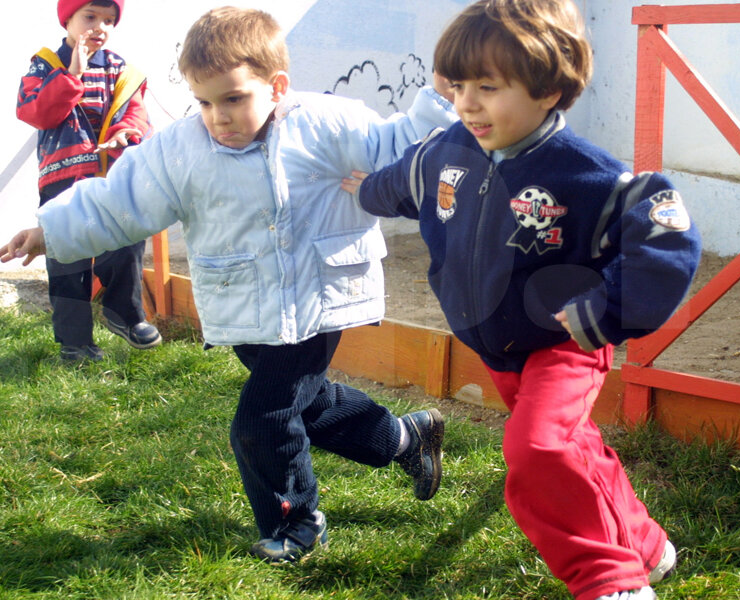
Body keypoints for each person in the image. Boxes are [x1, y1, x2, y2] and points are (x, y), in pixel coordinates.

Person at [2, 6, 457, 563]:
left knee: (261, 421)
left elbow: (398, 144)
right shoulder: (181, 149)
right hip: (241, 305)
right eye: (204, 101)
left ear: (276, 87)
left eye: (234, 99)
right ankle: (407, 438)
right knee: (308, 405)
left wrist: (440, 100)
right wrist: (50, 230)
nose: (218, 117)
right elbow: (121, 198)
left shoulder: (325, 124)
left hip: (314, 300)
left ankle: (295, 523)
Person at [345, 1, 701, 598]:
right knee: (570, 445)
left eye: (488, 87)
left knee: (537, 448)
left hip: (565, 341)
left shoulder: (587, 176)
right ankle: (645, 543)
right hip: (499, 344)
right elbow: (403, 181)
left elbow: (667, 237)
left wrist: (606, 311)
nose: (467, 103)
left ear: (548, 89)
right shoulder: (445, 152)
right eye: (458, 86)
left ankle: (610, 579)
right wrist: (365, 192)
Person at [16, 0, 161, 362]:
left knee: (126, 236)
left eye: (109, 20)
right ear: (67, 20)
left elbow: (135, 113)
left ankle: (124, 312)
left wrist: (126, 132)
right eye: (90, 17)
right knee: (67, 259)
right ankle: (75, 342)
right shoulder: (45, 65)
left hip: (109, 177)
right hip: (61, 179)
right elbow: (36, 112)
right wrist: (72, 75)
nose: (100, 27)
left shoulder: (121, 70)